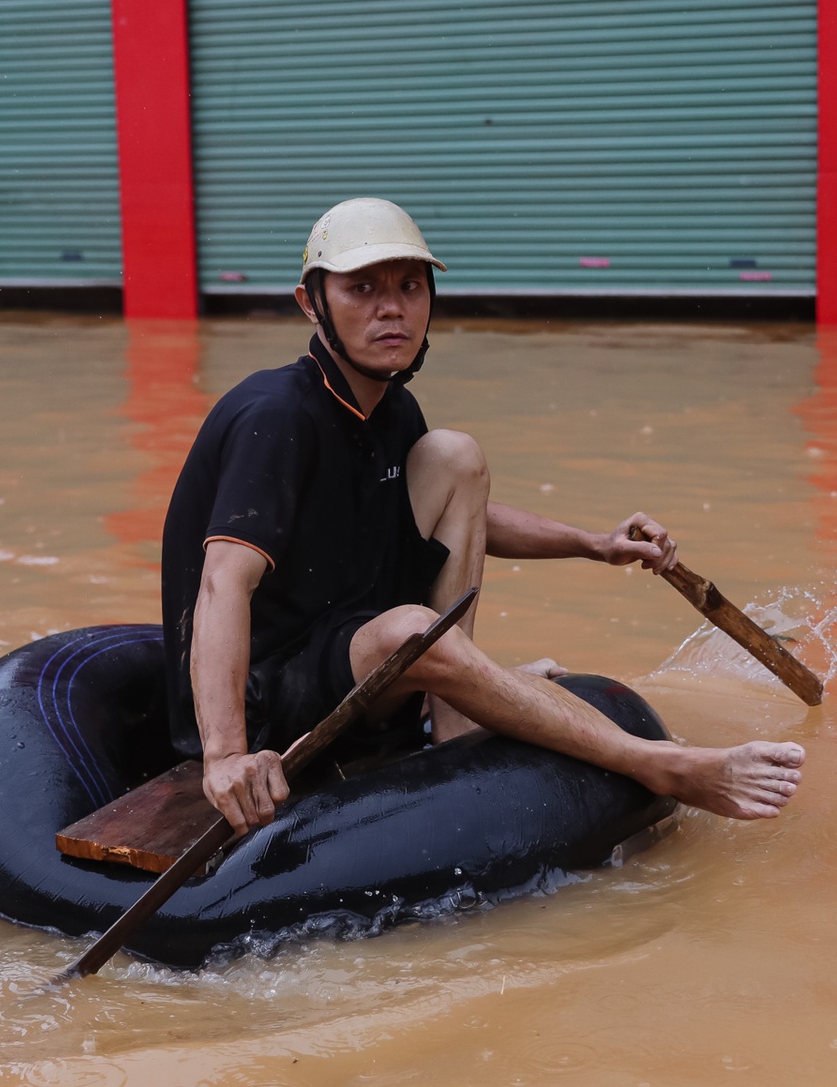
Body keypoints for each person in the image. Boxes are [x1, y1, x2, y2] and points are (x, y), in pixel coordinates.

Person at [161, 197, 804, 835]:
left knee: (455, 455)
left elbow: (467, 513)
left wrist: (596, 544)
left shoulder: (391, 409)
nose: (391, 308)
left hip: (348, 653)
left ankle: (455, 713)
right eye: (362, 289)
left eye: (410, 287)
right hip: (272, 695)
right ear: (312, 303)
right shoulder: (276, 415)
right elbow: (222, 581)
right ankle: (659, 765)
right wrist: (225, 756)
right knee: (412, 629)